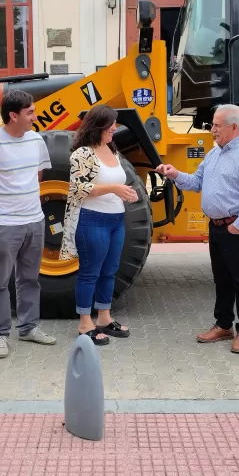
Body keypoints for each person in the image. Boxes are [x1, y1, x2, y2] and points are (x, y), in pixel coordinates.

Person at [157, 104, 239, 354]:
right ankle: (223, 325)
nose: (212, 130)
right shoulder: (214, 153)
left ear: (233, 127)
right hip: (218, 228)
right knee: (222, 280)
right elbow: (197, 182)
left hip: (237, 228)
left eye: (217, 125)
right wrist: (175, 174)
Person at [0, 89, 57, 358]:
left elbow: (37, 175)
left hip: (35, 221)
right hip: (4, 223)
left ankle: (29, 328)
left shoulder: (36, 141)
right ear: (13, 115)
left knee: (30, 278)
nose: (34, 116)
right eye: (29, 112)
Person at [59, 105, 139, 345]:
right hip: (92, 219)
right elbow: (79, 188)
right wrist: (115, 189)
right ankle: (85, 323)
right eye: (111, 124)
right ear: (98, 126)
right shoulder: (82, 154)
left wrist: (127, 192)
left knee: (109, 270)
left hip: (116, 220)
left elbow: (116, 181)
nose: (115, 128)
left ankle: (104, 317)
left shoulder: (111, 148)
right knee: (89, 273)